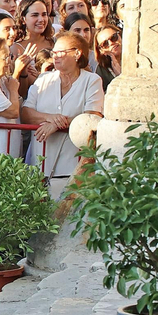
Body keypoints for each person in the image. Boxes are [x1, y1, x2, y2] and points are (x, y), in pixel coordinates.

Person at [22, 32, 104, 197]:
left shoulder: (92, 80)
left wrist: (59, 124)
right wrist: (49, 118)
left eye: (60, 52)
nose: (55, 56)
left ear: (77, 53)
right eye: (53, 52)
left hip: (73, 167)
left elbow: (92, 117)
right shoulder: (44, 78)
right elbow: (25, 113)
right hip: (39, 166)